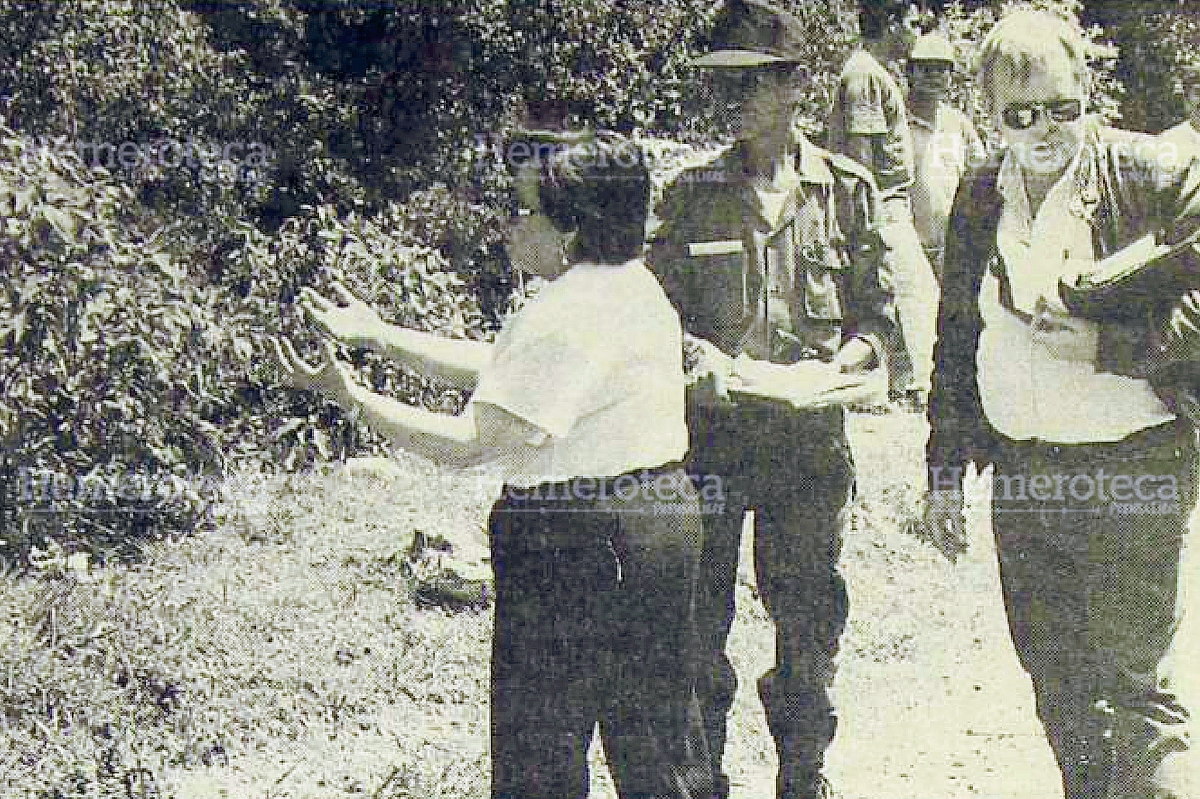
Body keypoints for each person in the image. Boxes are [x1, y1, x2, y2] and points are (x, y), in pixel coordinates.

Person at [273, 131, 712, 799]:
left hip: (578, 541)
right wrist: (377, 336)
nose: (507, 224)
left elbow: (469, 442)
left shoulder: (566, 311)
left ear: (571, 228)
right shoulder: (628, 285)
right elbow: (505, 368)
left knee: (539, 752)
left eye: (523, 208)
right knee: (657, 744)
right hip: (655, 522)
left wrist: (353, 398)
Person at [920, 9, 1200, 798]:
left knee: (1138, 687)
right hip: (1026, 474)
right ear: (989, 114)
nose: (1045, 129)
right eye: (1022, 114)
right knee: (1061, 685)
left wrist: (1114, 347)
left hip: (1134, 466)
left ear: (1088, 93)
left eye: (1062, 107)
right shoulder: (980, 193)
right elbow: (956, 334)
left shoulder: (1146, 173)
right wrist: (945, 469)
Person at [649, 2, 895, 796]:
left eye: (750, 81)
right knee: (696, 623)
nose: (731, 99)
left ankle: (804, 773)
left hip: (808, 441)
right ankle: (700, 778)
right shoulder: (690, 194)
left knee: (809, 621)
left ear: (795, 85)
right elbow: (654, 317)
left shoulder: (847, 191)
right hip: (713, 439)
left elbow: (878, 320)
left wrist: (849, 363)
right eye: (720, 83)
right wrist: (697, 357)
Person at [827, 0, 938, 408]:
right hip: (882, 206)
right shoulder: (864, 75)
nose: (915, 32)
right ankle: (914, 389)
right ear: (890, 23)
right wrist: (867, 220)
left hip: (892, 204)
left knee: (909, 296)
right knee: (912, 295)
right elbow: (859, 159)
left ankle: (904, 386)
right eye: (910, 22)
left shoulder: (873, 73)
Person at [905, 31, 985, 283]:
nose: (934, 77)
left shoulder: (958, 123)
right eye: (926, 69)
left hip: (954, 249)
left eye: (942, 70)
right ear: (910, 72)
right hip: (910, 249)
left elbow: (981, 176)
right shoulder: (897, 122)